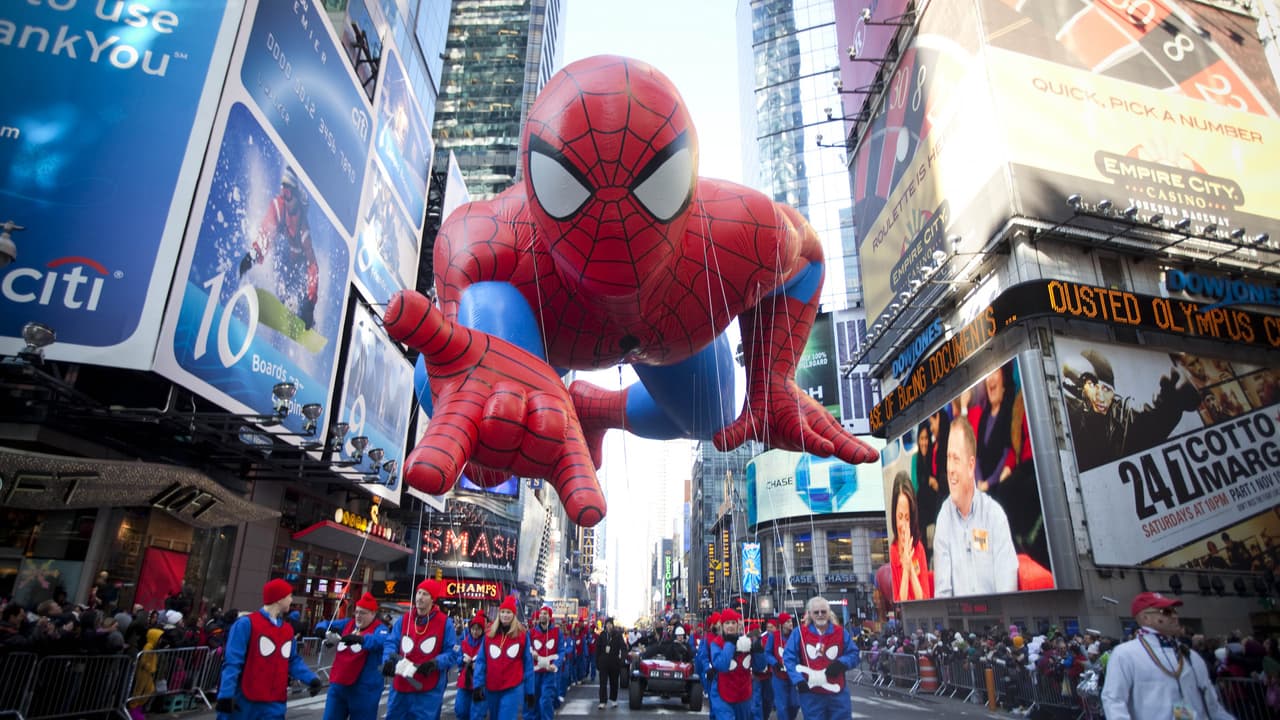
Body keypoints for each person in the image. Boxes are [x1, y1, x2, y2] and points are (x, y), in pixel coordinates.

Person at [1062, 349, 1202, 471]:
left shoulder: (1120, 413)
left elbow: (1148, 419)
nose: (1101, 396)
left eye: (1107, 389)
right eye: (1092, 385)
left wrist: (1171, 402)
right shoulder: (1067, 410)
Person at [1100, 592, 1233, 719]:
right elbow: (1114, 700)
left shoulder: (1190, 656)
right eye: (1166, 612)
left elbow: (1212, 705)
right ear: (1146, 618)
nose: (1175, 616)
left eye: (1175, 611)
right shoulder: (1125, 654)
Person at [933, 420, 1018, 597]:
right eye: (948, 458)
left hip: (998, 620)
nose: (950, 469)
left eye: (956, 459)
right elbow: (942, 594)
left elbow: (1008, 591)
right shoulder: (944, 517)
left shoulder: (994, 515)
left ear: (971, 466)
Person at [216, 579, 322, 720]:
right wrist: (226, 694)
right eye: (289, 595)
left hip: (275, 702)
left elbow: (292, 660)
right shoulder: (246, 624)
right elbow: (233, 662)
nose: (291, 599)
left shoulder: (286, 630)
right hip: (246, 701)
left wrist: (311, 678)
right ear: (279, 599)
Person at [239, 166, 321, 329]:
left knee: (299, 289)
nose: (285, 197)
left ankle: (303, 314)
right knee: (281, 253)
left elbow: (312, 266)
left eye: (289, 194)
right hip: (283, 259)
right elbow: (266, 232)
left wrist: (310, 302)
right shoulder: (278, 206)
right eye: (283, 192)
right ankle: (285, 300)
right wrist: (254, 254)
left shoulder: (303, 228)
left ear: (296, 197)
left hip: (298, 265)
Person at [382, 579, 459, 720]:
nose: (419, 597)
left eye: (425, 594)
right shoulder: (404, 619)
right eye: (418, 593)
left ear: (432, 599)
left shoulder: (444, 623)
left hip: (428, 689)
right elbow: (391, 642)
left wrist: (435, 663)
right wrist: (388, 660)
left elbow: (452, 652)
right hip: (401, 686)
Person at [314, 592, 388, 720]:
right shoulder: (348, 623)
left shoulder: (381, 628)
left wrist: (361, 640)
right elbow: (327, 624)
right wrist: (321, 629)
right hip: (339, 685)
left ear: (373, 614)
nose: (358, 616)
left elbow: (380, 641)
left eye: (363, 613)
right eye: (357, 612)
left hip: (364, 689)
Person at [783, 597, 858, 720]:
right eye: (816, 612)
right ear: (810, 614)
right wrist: (798, 680)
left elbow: (853, 653)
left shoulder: (840, 632)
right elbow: (789, 657)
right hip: (811, 693)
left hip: (837, 692)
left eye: (823, 612)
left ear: (829, 613)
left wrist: (842, 664)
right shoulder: (800, 633)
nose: (820, 615)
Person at [474, 596, 534, 720]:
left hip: (512, 687)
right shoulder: (489, 634)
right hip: (492, 687)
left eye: (508, 612)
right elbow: (481, 661)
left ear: (513, 615)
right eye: (502, 612)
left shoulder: (522, 636)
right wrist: (478, 685)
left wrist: (530, 690)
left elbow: (528, 664)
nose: (505, 615)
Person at [889, 472, 934, 601]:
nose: (903, 525)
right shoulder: (892, 552)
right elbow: (899, 606)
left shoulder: (919, 549)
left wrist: (910, 569)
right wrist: (905, 571)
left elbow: (924, 600)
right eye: (900, 517)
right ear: (894, 516)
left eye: (907, 518)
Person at [712, 608, 757, 720]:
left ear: (738, 625)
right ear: (722, 626)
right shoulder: (717, 643)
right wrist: (730, 644)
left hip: (743, 693)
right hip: (723, 692)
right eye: (727, 623)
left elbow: (759, 667)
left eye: (733, 623)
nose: (730, 626)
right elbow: (721, 665)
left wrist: (759, 650)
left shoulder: (746, 641)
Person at [526, 605, 564, 720]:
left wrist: (555, 664)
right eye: (541, 613)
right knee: (533, 701)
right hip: (534, 673)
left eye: (545, 614)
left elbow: (561, 651)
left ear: (550, 617)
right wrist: (532, 653)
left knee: (545, 700)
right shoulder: (531, 633)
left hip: (549, 673)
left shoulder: (557, 632)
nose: (542, 615)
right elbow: (527, 649)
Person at [763, 613, 798, 720]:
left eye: (791, 621)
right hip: (778, 675)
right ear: (782, 624)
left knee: (795, 704)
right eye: (787, 622)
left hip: (793, 675)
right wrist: (774, 663)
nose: (790, 624)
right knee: (782, 706)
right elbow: (767, 653)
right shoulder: (774, 636)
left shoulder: (796, 635)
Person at [454, 612, 487, 720]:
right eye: (473, 629)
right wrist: (462, 660)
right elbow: (457, 658)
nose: (475, 632)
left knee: (477, 714)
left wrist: (478, 666)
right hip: (464, 681)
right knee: (461, 710)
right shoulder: (464, 641)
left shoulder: (486, 643)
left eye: (478, 629)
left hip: (479, 683)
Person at [596, 617, 626, 709]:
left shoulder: (617, 635)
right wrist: (597, 661)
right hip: (604, 662)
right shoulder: (602, 635)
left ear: (613, 625)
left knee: (614, 682)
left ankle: (613, 699)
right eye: (607, 624)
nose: (609, 625)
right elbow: (598, 649)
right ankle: (602, 701)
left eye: (610, 624)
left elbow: (623, 648)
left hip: (614, 662)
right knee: (603, 683)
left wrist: (622, 660)